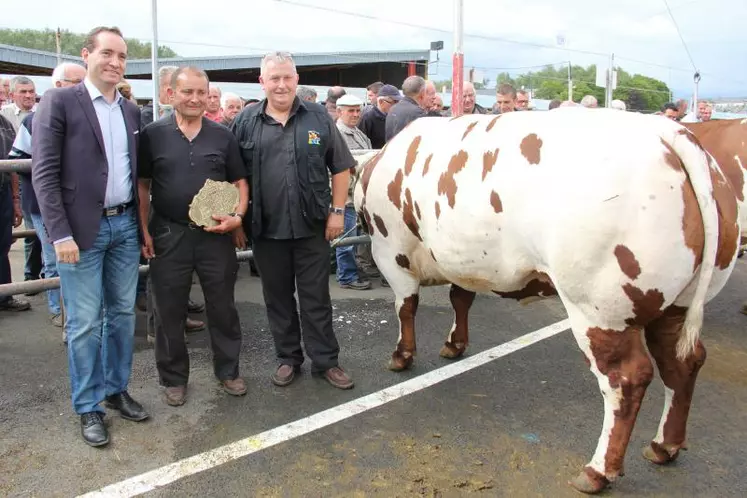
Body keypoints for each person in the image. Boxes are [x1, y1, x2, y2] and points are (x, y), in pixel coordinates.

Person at [32, 26, 149, 447]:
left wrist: (141, 226)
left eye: (122, 55)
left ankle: (116, 389)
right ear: (87, 55)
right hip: (80, 233)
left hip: (124, 226)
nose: (115, 62)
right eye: (107, 54)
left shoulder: (131, 112)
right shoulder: (60, 101)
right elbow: (43, 173)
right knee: (83, 324)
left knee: (122, 316)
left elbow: (137, 176)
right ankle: (88, 406)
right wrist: (58, 232)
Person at [231, 51, 355, 390]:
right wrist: (238, 221)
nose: (281, 84)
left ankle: (326, 361)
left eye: (287, 77)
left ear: (297, 80)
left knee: (316, 298)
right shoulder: (245, 121)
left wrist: (338, 212)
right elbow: (234, 177)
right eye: (274, 78)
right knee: (277, 299)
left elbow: (341, 168)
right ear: (262, 82)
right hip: (266, 230)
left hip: (313, 226)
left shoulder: (318, 117)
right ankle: (288, 359)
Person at [138, 66, 249, 407]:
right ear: (171, 93)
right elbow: (142, 186)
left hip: (215, 235)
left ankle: (228, 371)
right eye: (188, 92)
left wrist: (238, 217)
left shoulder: (222, 135)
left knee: (223, 307)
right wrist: (144, 230)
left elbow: (240, 182)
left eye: (202, 92)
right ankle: (173, 378)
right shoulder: (152, 134)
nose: (196, 99)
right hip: (169, 232)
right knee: (168, 310)